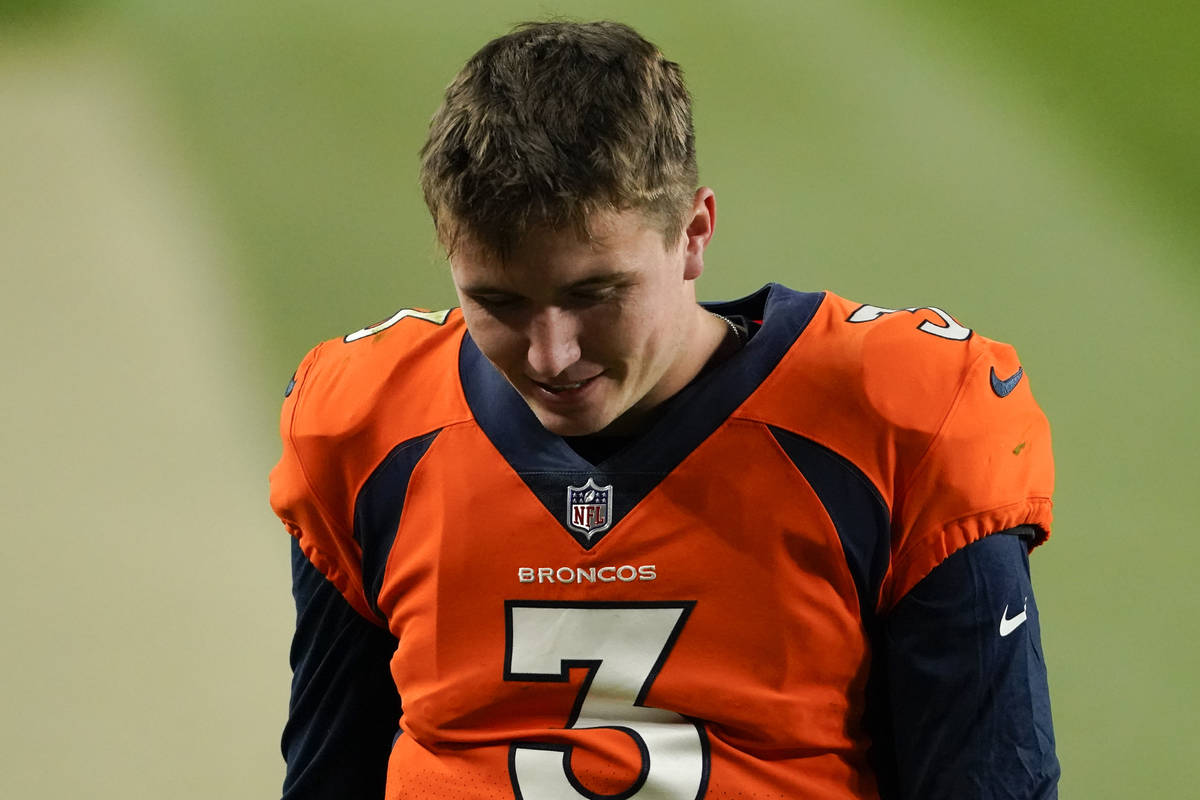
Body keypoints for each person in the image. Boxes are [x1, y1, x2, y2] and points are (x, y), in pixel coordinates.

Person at [269, 20, 1059, 800]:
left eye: (595, 294)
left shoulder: (898, 422)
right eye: (498, 302)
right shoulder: (369, 428)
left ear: (694, 233)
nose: (551, 355)